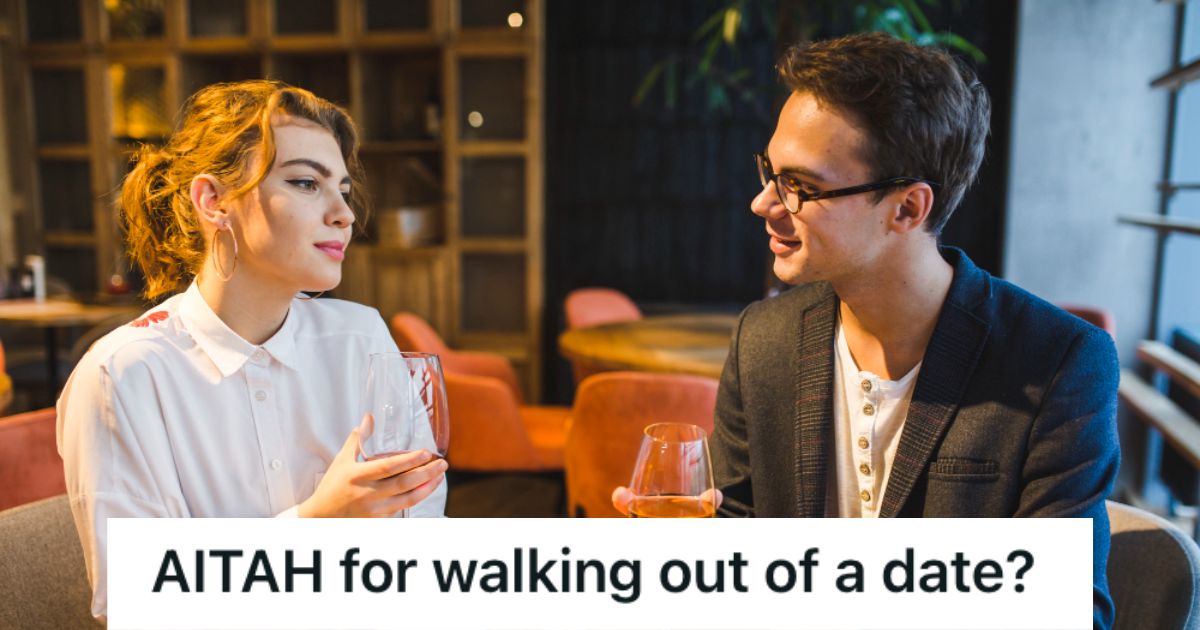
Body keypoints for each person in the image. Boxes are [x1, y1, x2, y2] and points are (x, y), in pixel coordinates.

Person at [616, 33, 1119, 628]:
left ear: (907, 208)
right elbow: (740, 543)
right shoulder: (763, 341)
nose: (763, 203)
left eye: (801, 186)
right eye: (769, 173)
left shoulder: (1057, 362)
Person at [56, 80, 448, 621]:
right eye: (307, 183)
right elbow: (138, 602)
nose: (344, 214)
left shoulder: (361, 338)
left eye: (343, 190)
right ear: (213, 201)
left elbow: (422, 529)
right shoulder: (123, 375)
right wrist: (320, 524)